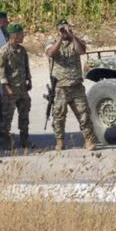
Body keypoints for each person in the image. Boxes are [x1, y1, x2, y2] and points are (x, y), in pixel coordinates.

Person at [45, 19, 97, 151]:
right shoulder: (51, 42)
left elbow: (81, 51)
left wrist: (72, 36)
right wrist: (59, 39)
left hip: (76, 85)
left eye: (66, 28)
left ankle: (89, 140)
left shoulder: (75, 41)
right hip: (60, 86)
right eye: (61, 29)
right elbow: (50, 53)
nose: (64, 31)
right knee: (59, 116)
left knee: (84, 114)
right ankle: (60, 141)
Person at [0, 23, 34, 150]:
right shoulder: (3, 52)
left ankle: (25, 140)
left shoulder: (22, 50)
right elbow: (0, 71)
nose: (22, 37)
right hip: (10, 90)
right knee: (7, 117)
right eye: (20, 35)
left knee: (24, 115)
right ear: (13, 37)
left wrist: (29, 80)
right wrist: (7, 88)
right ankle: (7, 142)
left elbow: (26, 66)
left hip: (22, 89)